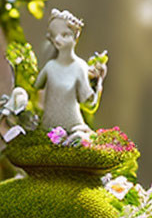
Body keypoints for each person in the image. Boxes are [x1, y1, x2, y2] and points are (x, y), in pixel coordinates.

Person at [34, 9, 107, 139]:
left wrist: (97, 82)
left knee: (80, 139)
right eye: (54, 35)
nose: (58, 39)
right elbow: (34, 88)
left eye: (65, 35)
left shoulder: (80, 67)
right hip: (47, 129)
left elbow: (89, 105)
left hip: (72, 126)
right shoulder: (50, 67)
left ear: (74, 37)